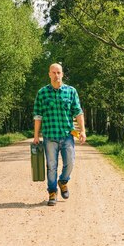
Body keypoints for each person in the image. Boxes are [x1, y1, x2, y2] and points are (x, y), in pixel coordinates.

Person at [33, 63, 86, 206]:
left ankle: (63, 181)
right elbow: (38, 116)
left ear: (62, 74)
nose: (56, 75)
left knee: (70, 162)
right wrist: (36, 135)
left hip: (67, 135)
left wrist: (82, 131)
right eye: (53, 72)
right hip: (49, 136)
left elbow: (78, 112)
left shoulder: (71, 91)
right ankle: (52, 192)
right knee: (51, 166)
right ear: (49, 74)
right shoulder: (42, 93)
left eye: (59, 72)